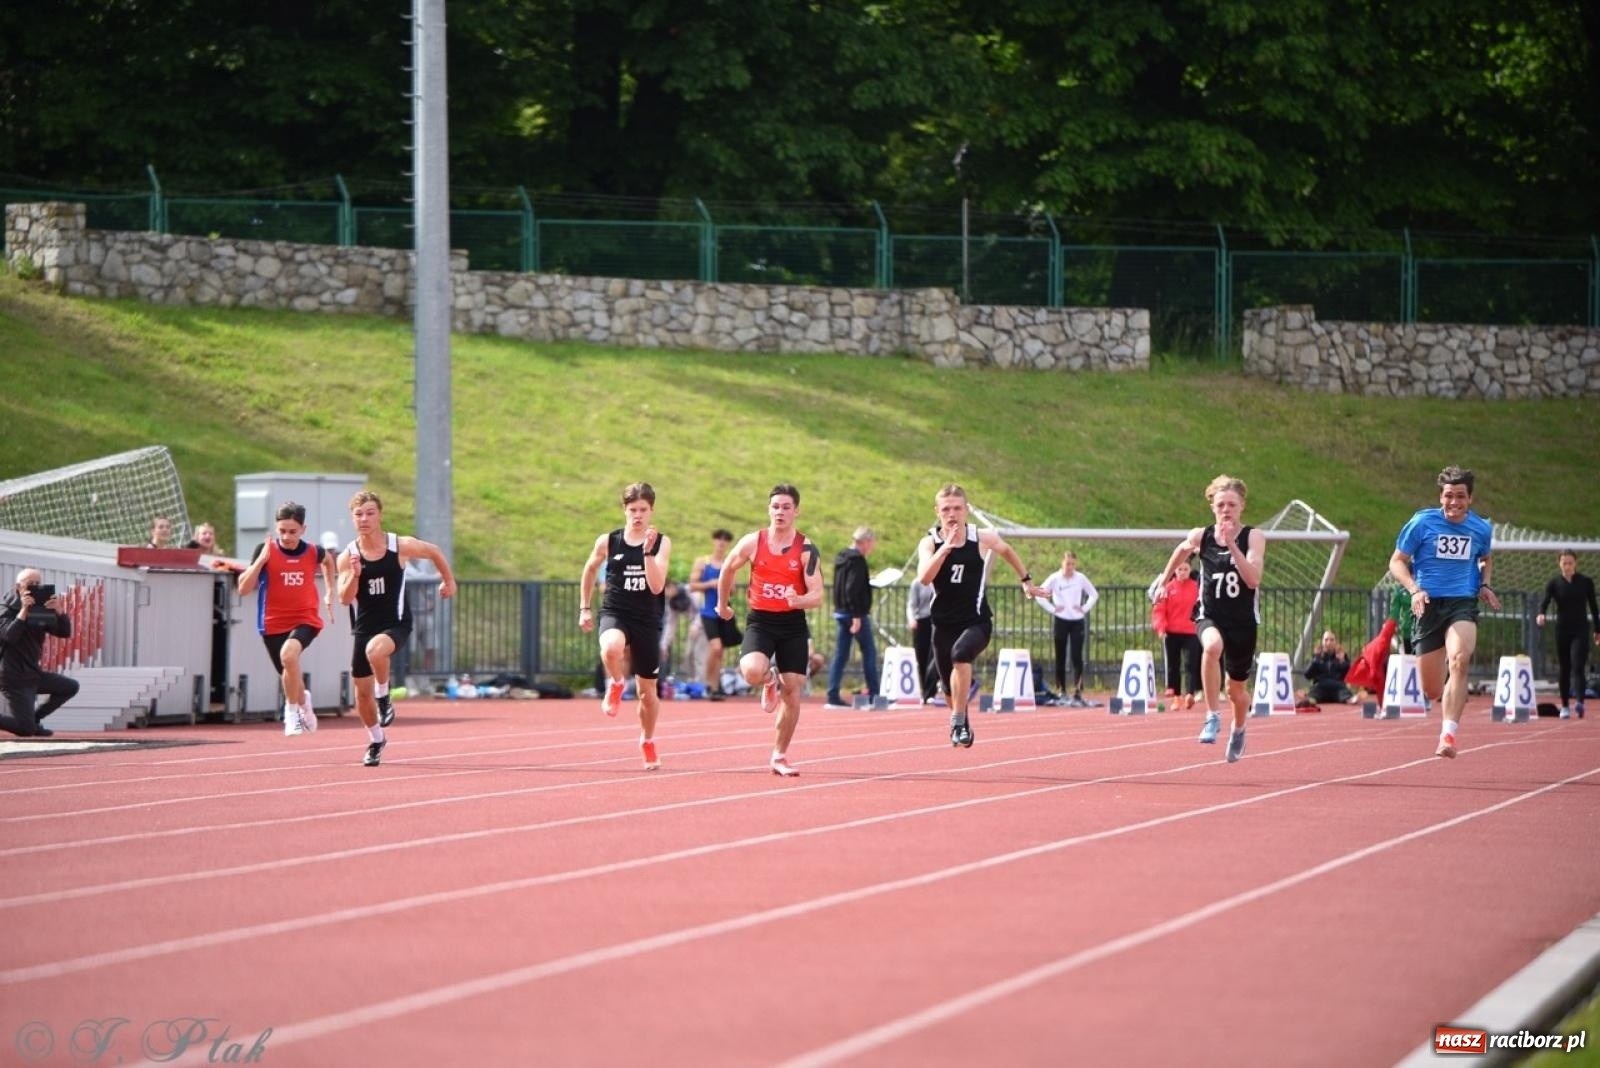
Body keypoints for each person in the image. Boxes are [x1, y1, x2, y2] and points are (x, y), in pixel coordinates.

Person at [916, 483, 1041, 748]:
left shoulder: (981, 538)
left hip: (976, 621)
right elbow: (925, 578)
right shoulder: (930, 542)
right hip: (943, 624)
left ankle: (958, 720)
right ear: (937, 511)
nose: (952, 514)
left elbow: (1005, 549)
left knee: (961, 654)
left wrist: (1026, 580)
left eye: (957, 508)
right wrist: (945, 548)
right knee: (949, 689)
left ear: (967, 510)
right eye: (946, 509)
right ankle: (960, 719)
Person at [337, 490, 457, 767]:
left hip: (396, 622)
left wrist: (448, 581)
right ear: (352, 519)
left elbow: (433, 551)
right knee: (360, 697)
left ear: (380, 515)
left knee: (376, 651)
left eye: (369, 513)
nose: (364, 519)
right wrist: (355, 575)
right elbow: (345, 598)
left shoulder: (397, 546)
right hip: (363, 626)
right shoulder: (349, 556)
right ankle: (376, 740)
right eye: (358, 514)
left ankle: (384, 697)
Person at [1388, 465, 1499, 759]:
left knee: (1460, 660)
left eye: (1460, 496)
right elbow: (1397, 562)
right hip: (1428, 605)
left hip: (1462, 602)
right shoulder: (1421, 523)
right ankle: (1450, 693)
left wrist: (1485, 585)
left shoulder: (1480, 528)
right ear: (1441, 497)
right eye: (1449, 496)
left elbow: (1486, 558)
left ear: (1470, 499)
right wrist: (1414, 589)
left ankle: (1448, 734)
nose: (1454, 502)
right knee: (1432, 690)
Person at [1154, 474, 1267, 763]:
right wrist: (1162, 580)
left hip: (1242, 621)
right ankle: (1212, 716)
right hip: (1210, 613)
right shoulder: (1201, 536)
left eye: (1231, 504)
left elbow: (1253, 580)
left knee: (1236, 691)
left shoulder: (1252, 537)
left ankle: (1239, 728)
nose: (1226, 510)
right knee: (1212, 646)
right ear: (1212, 508)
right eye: (1220, 505)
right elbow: (1181, 549)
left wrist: (1231, 545)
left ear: (1242, 506)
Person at [715, 483, 825, 776]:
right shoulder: (754, 542)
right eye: (775, 506)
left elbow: (818, 594)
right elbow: (728, 568)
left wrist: (798, 599)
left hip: (792, 625)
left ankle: (779, 755)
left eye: (786, 507)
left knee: (792, 691)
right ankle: (767, 680)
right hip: (761, 621)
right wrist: (723, 604)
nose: (780, 512)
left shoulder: (807, 548)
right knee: (751, 671)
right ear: (769, 509)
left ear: (796, 511)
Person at [580, 482, 672, 769]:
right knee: (611, 648)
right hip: (616, 610)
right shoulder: (609, 541)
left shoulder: (661, 542)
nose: (638, 515)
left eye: (643, 510)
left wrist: (646, 553)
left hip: (647, 618)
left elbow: (657, 587)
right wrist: (585, 607)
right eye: (633, 510)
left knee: (647, 693)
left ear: (651, 510)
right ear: (625, 509)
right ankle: (617, 682)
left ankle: (647, 739)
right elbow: (590, 569)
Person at [236, 502, 338, 736]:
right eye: (282, 531)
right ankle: (304, 702)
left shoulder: (313, 551)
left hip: (305, 619)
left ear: (303, 529)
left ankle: (291, 714)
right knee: (289, 673)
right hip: (272, 622)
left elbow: (327, 561)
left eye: (292, 531)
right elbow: (243, 589)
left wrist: (330, 589)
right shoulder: (266, 549)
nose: (287, 536)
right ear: (276, 528)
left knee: (288, 655)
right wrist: (260, 561)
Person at [0, 569, 78, 737]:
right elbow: (9, 636)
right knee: (25, 730)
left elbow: (63, 632)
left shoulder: (40, 608)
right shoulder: (5, 608)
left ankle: (34, 719)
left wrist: (59, 611)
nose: (34, 588)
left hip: (33, 674)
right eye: (30, 584)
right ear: (18, 587)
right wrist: (23, 612)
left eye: (37, 584)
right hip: (12, 677)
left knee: (70, 687)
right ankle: (29, 724)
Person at [1536, 549, 1598, 719]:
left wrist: (1598, 629)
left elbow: (1593, 606)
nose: (1568, 566)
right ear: (1559, 564)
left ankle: (1579, 702)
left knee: (1578, 665)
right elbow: (1545, 601)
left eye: (1570, 563)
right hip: (1562, 629)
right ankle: (1564, 706)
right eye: (1564, 563)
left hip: (1581, 629)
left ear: (1575, 563)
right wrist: (1541, 613)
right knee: (1565, 668)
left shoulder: (1585, 582)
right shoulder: (1554, 583)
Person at [1032, 549, 1099, 706]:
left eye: (1073, 564)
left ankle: (1077, 690)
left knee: (1077, 657)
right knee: (1060, 656)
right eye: (1068, 564)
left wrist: (1084, 608)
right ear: (1062, 563)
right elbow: (1039, 594)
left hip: (1077, 620)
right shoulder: (1055, 578)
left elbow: (1094, 594)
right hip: (1061, 619)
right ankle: (1061, 689)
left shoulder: (1080, 578)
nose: (1070, 567)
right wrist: (1053, 608)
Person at [825, 526, 880, 710]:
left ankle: (832, 694)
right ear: (865, 542)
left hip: (841, 611)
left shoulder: (842, 557)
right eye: (871, 543)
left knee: (840, 655)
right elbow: (852, 588)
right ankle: (874, 694)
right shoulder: (857, 560)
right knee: (869, 652)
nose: (871, 547)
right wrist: (857, 615)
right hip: (855, 613)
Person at [689, 530, 738, 699]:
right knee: (715, 647)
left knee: (720, 651)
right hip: (708, 611)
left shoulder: (729, 563)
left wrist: (725, 583)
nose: (721, 542)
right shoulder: (703, 562)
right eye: (719, 538)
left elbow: (732, 589)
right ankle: (708, 683)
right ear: (713, 540)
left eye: (726, 539)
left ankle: (715, 687)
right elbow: (693, 585)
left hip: (723, 611)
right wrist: (711, 583)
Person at [1151, 556, 1201, 709]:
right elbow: (1159, 610)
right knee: (1173, 664)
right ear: (1175, 571)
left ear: (1190, 570)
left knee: (1191, 664)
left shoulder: (1196, 587)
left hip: (1192, 631)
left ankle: (1190, 694)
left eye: (1186, 569)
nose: (1183, 572)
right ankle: (1177, 696)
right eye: (1179, 569)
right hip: (1172, 632)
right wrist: (1161, 628)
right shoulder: (1167, 588)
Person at [906, 579, 939, 704]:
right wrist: (912, 619)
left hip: (936, 621)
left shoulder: (941, 579)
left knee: (934, 656)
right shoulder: (917, 583)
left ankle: (931, 691)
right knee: (922, 656)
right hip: (922, 622)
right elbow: (911, 604)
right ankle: (925, 690)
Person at [1304, 629, 1352, 705]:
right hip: (1321, 687)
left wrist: (1343, 662)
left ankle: (1349, 699)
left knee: (1344, 692)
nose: (1329, 643)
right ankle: (1310, 700)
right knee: (1314, 693)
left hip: (1337, 688)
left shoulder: (1342, 655)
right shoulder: (1317, 656)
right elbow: (1307, 675)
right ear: (1322, 641)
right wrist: (1315, 660)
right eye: (1326, 640)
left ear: (1336, 642)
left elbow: (1349, 675)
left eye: (1332, 640)